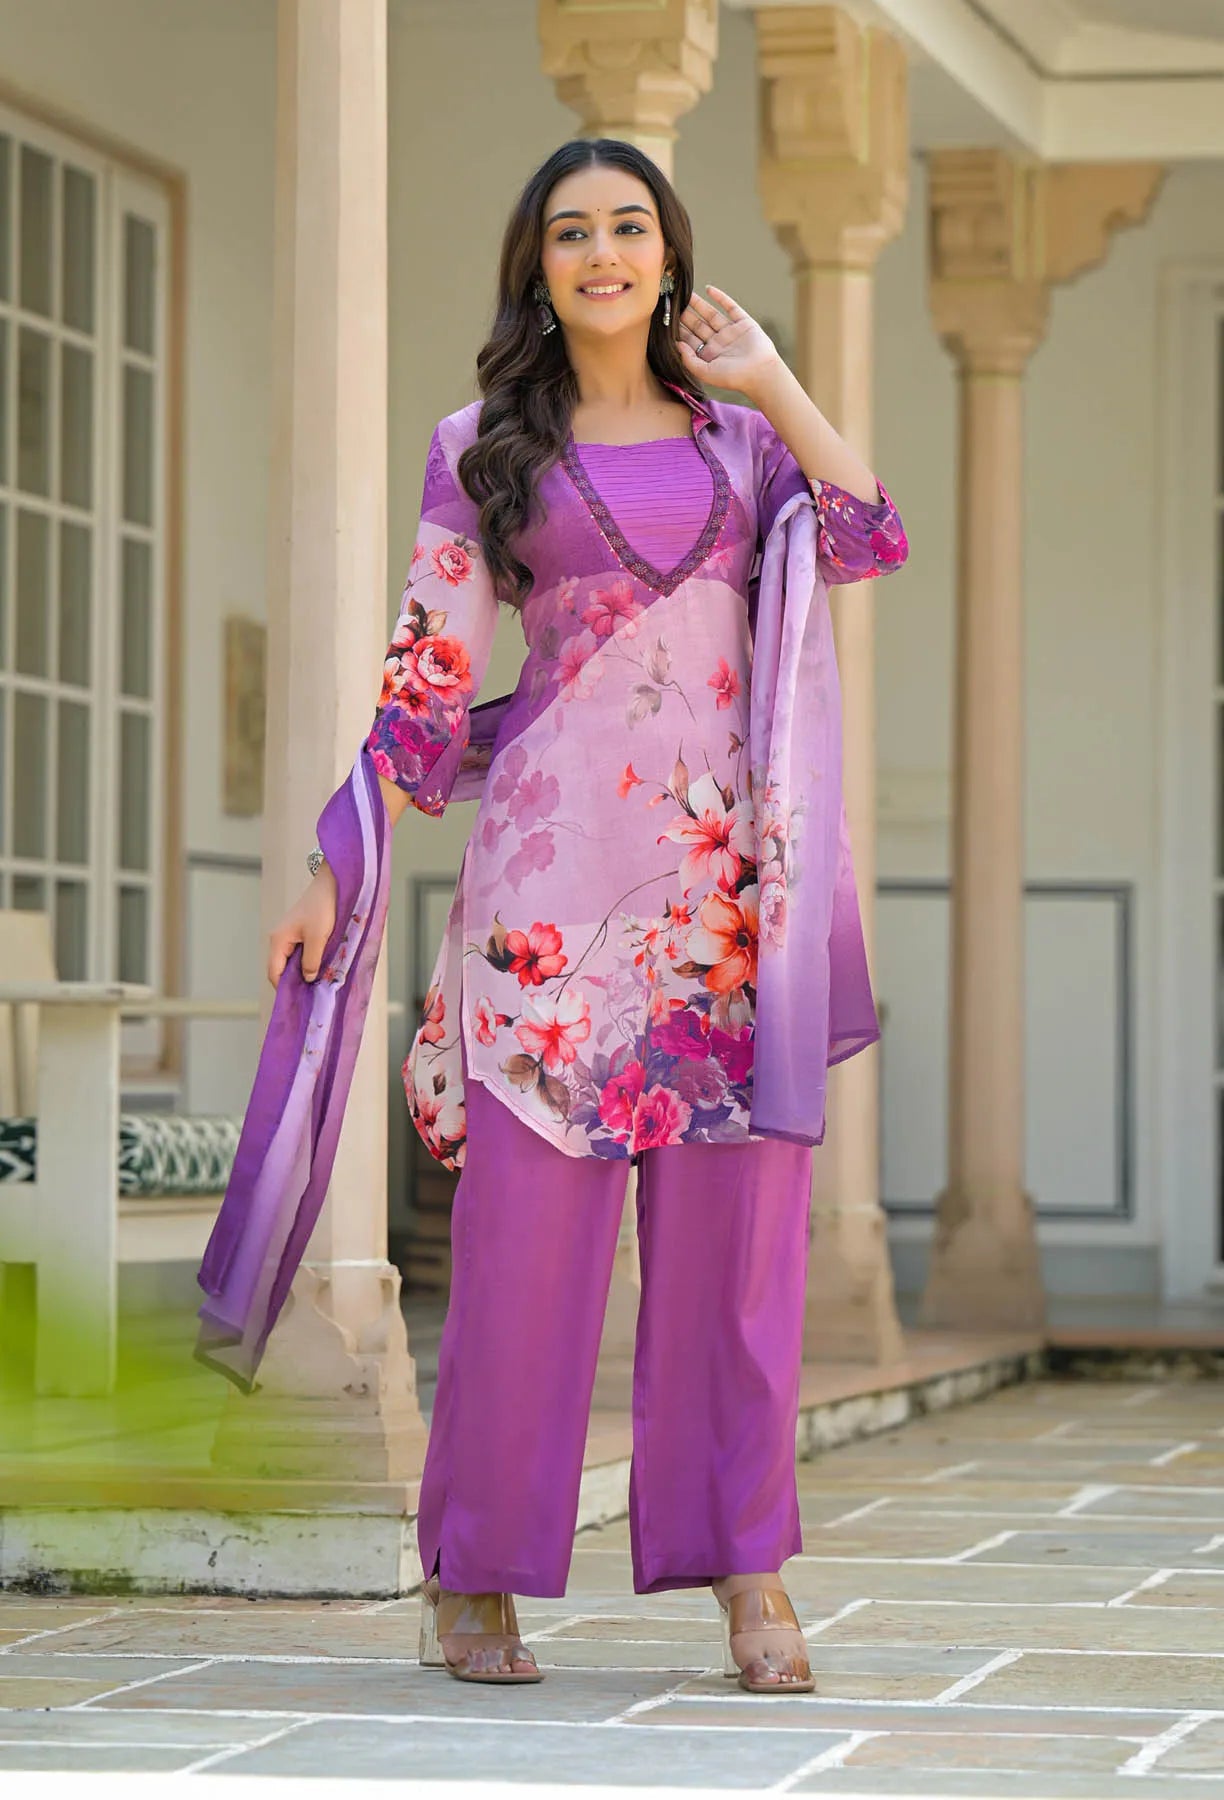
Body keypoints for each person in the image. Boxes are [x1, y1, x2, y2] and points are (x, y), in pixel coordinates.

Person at [259, 138, 908, 1690]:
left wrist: (771, 378)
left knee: (737, 1267)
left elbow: (868, 532)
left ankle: (748, 1572)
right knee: (521, 1259)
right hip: (545, 904)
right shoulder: (479, 449)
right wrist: (337, 860)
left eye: (629, 226)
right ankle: (474, 1574)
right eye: (571, 232)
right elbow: (428, 681)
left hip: (725, 908)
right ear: (537, 268)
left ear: (668, 254)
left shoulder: (746, 446)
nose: (602, 253)